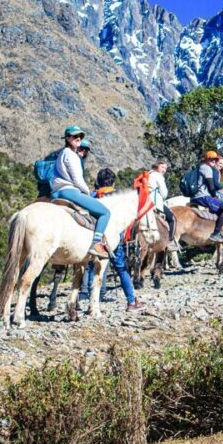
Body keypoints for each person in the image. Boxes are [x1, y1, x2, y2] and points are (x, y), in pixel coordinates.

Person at [81, 167, 143, 311]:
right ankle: (131, 301)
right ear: (113, 183)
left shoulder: (92, 195)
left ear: (98, 182)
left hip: (95, 237)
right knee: (122, 269)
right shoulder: (117, 197)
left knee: (91, 267)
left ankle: (90, 297)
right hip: (114, 240)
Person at [51, 125, 110, 258]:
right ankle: (96, 243)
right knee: (105, 213)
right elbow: (77, 180)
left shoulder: (61, 153)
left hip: (56, 193)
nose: (78, 138)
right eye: (74, 136)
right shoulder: (71, 155)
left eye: (80, 136)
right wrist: (87, 192)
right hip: (69, 192)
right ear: (67, 138)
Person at [191, 151, 223, 243]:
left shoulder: (201, 167)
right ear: (207, 159)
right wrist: (215, 196)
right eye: (212, 159)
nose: (214, 161)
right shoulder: (207, 168)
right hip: (203, 196)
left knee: (219, 209)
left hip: (199, 195)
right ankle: (215, 234)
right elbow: (211, 186)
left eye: (215, 159)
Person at [148, 159, 180, 251]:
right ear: (157, 166)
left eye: (165, 168)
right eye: (162, 167)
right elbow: (164, 194)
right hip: (155, 204)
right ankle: (170, 242)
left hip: (144, 203)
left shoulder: (148, 174)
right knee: (172, 219)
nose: (164, 170)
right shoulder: (158, 176)